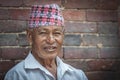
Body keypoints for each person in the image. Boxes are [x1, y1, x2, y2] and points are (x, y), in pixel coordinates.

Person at [4, 4, 88, 80]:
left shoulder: (77, 76)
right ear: (30, 36)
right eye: (43, 33)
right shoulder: (16, 76)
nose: (51, 40)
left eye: (56, 33)